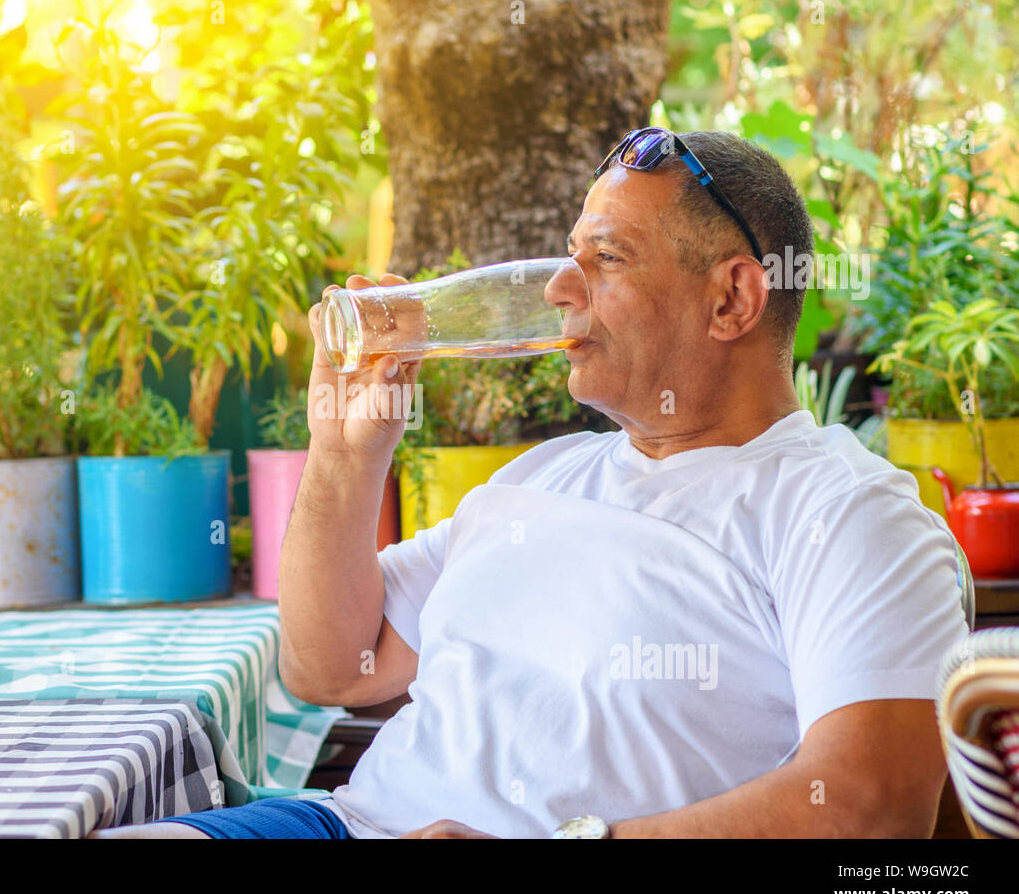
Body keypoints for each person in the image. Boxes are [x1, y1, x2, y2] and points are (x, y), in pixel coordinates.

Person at [94, 129, 967, 840]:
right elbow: (330, 667)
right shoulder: (541, 477)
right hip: (344, 824)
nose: (558, 288)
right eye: (568, 256)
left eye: (607, 259)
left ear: (732, 300)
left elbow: (869, 805)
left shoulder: (850, 514)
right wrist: (344, 452)